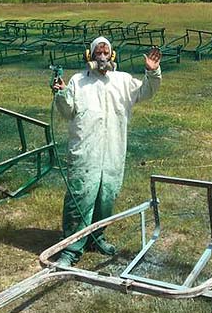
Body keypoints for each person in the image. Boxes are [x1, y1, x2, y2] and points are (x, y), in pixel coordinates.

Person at [52, 36, 162, 267]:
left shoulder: (123, 81)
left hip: (113, 149)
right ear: (89, 56)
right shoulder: (77, 81)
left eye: (105, 53)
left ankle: (96, 237)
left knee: (107, 196)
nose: (101, 57)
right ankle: (70, 249)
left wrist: (152, 72)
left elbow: (147, 91)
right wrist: (61, 94)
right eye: (97, 53)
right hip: (85, 150)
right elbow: (66, 111)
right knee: (80, 197)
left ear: (112, 55)